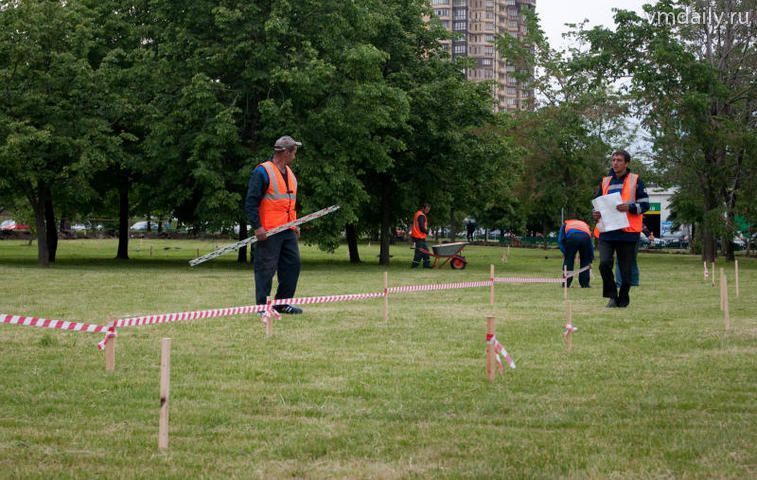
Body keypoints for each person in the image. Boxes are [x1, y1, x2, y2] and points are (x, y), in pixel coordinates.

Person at [245, 135, 303, 314]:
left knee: (292, 266)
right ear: (285, 152)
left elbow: (288, 203)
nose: (295, 155)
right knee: (265, 269)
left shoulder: (290, 174)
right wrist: (258, 227)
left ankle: (282, 303)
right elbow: (251, 202)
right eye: (293, 151)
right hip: (269, 231)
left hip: (288, 230)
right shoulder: (262, 172)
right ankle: (262, 307)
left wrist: (295, 224)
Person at [592, 149, 649, 308]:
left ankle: (623, 297)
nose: (615, 163)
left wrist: (629, 207)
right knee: (604, 264)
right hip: (607, 232)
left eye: (619, 160)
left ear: (626, 163)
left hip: (628, 233)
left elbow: (645, 205)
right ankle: (612, 295)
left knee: (625, 270)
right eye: (613, 160)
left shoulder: (636, 180)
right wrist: (595, 214)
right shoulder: (605, 182)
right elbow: (597, 204)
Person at [557, 215, 593, 288]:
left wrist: (565, 252)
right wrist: (590, 258)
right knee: (585, 261)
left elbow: (560, 240)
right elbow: (590, 243)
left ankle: (566, 283)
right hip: (585, 238)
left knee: (569, 260)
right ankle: (585, 284)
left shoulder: (566, 224)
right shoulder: (585, 224)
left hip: (572, 237)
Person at [411, 202, 432, 268]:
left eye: (428, 210)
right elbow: (421, 227)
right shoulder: (421, 215)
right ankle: (414, 266)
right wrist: (428, 232)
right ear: (423, 208)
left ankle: (426, 265)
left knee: (425, 251)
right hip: (418, 236)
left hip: (419, 236)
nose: (427, 211)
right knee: (419, 252)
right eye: (426, 210)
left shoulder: (418, 214)